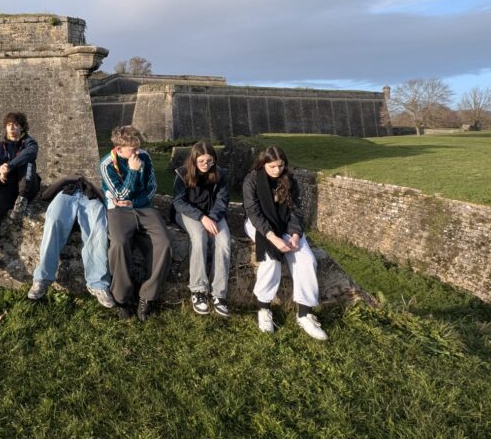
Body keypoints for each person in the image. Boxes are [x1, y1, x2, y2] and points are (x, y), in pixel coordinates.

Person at [242, 145, 328, 340]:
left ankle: (304, 313)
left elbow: (296, 211)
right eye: (272, 166)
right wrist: (272, 237)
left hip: (286, 225)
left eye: (280, 166)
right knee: (271, 259)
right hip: (260, 225)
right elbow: (253, 212)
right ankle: (263, 308)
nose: (276, 170)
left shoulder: (290, 180)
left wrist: (295, 235)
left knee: (306, 260)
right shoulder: (252, 180)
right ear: (263, 164)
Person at [100, 125, 172, 321]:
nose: (137, 152)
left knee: (163, 243)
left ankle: (147, 297)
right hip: (118, 211)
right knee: (119, 243)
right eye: (133, 149)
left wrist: (136, 202)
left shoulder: (145, 157)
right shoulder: (107, 164)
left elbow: (152, 187)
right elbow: (119, 194)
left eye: (138, 147)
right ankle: (122, 298)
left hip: (144, 207)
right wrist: (132, 172)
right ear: (119, 148)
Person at [27, 174, 115, 308]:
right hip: (66, 196)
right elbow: (44, 195)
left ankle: (98, 284)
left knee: (98, 228)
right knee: (53, 221)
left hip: (90, 199)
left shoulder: (91, 190)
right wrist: (66, 179)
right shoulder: (65, 187)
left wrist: (90, 186)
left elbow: (104, 201)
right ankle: (42, 278)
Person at [0, 112, 41, 283]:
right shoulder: (0, 146)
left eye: (15, 124)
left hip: (27, 185)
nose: (12, 127)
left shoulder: (30, 142)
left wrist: (8, 166)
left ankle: (21, 200)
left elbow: (30, 155)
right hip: (7, 186)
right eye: (9, 124)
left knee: (26, 163)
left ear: (22, 127)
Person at [173, 141, 232, 317]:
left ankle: (219, 294)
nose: (206, 165)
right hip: (189, 213)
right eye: (202, 162)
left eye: (210, 161)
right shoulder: (182, 174)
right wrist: (202, 218)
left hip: (213, 214)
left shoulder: (220, 174)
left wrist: (212, 218)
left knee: (224, 241)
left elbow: (222, 200)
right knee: (199, 238)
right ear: (194, 160)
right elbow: (178, 201)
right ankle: (198, 291)